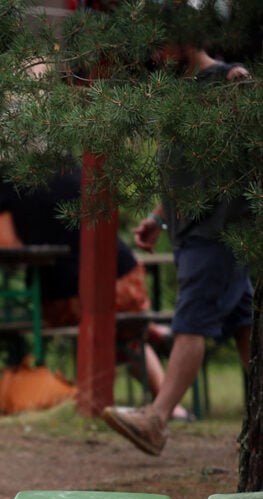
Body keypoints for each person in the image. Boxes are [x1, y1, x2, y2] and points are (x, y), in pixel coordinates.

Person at [102, 40, 252, 456]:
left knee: (191, 318)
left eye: (162, 43)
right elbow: (186, 175)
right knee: (246, 325)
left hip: (218, 232)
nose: (153, 54)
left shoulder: (229, 81)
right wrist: (159, 217)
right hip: (191, 232)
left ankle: (158, 417)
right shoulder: (178, 96)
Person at [0, 167, 191, 420]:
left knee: (104, 326)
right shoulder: (73, 165)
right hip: (124, 277)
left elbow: (8, 247)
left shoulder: (5, 178)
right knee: (125, 333)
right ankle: (170, 395)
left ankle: (148, 346)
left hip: (64, 293)